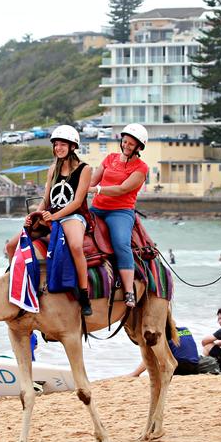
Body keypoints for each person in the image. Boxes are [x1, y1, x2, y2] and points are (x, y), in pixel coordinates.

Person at [89, 123, 149, 309]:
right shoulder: (110, 158)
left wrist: (96, 189)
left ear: (139, 147)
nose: (126, 146)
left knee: (121, 243)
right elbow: (91, 180)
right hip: (97, 208)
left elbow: (122, 189)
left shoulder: (141, 168)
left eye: (131, 144)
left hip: (120, 211)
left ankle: (129, 290)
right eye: (125, 142)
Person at [36, 125, 94, 316]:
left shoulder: (85, 169)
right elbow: (46, 198)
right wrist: (36, 215)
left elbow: (77, 201)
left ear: (72, 146)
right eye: (56, 145)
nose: (58, 148)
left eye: (63, 144)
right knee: (16, 243)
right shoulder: (52, 169)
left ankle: (84, 294)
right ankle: (26, 286)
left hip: (74, 215)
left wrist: (55, 216)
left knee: (76, 246)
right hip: (51, 213)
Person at [130, 325, 218, 376]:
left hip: (181, 368)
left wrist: (135, 374)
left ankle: (135, 374)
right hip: (195, 366)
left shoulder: (163, 336)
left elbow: (152, 356)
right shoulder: (185, 329)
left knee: (154, 354)